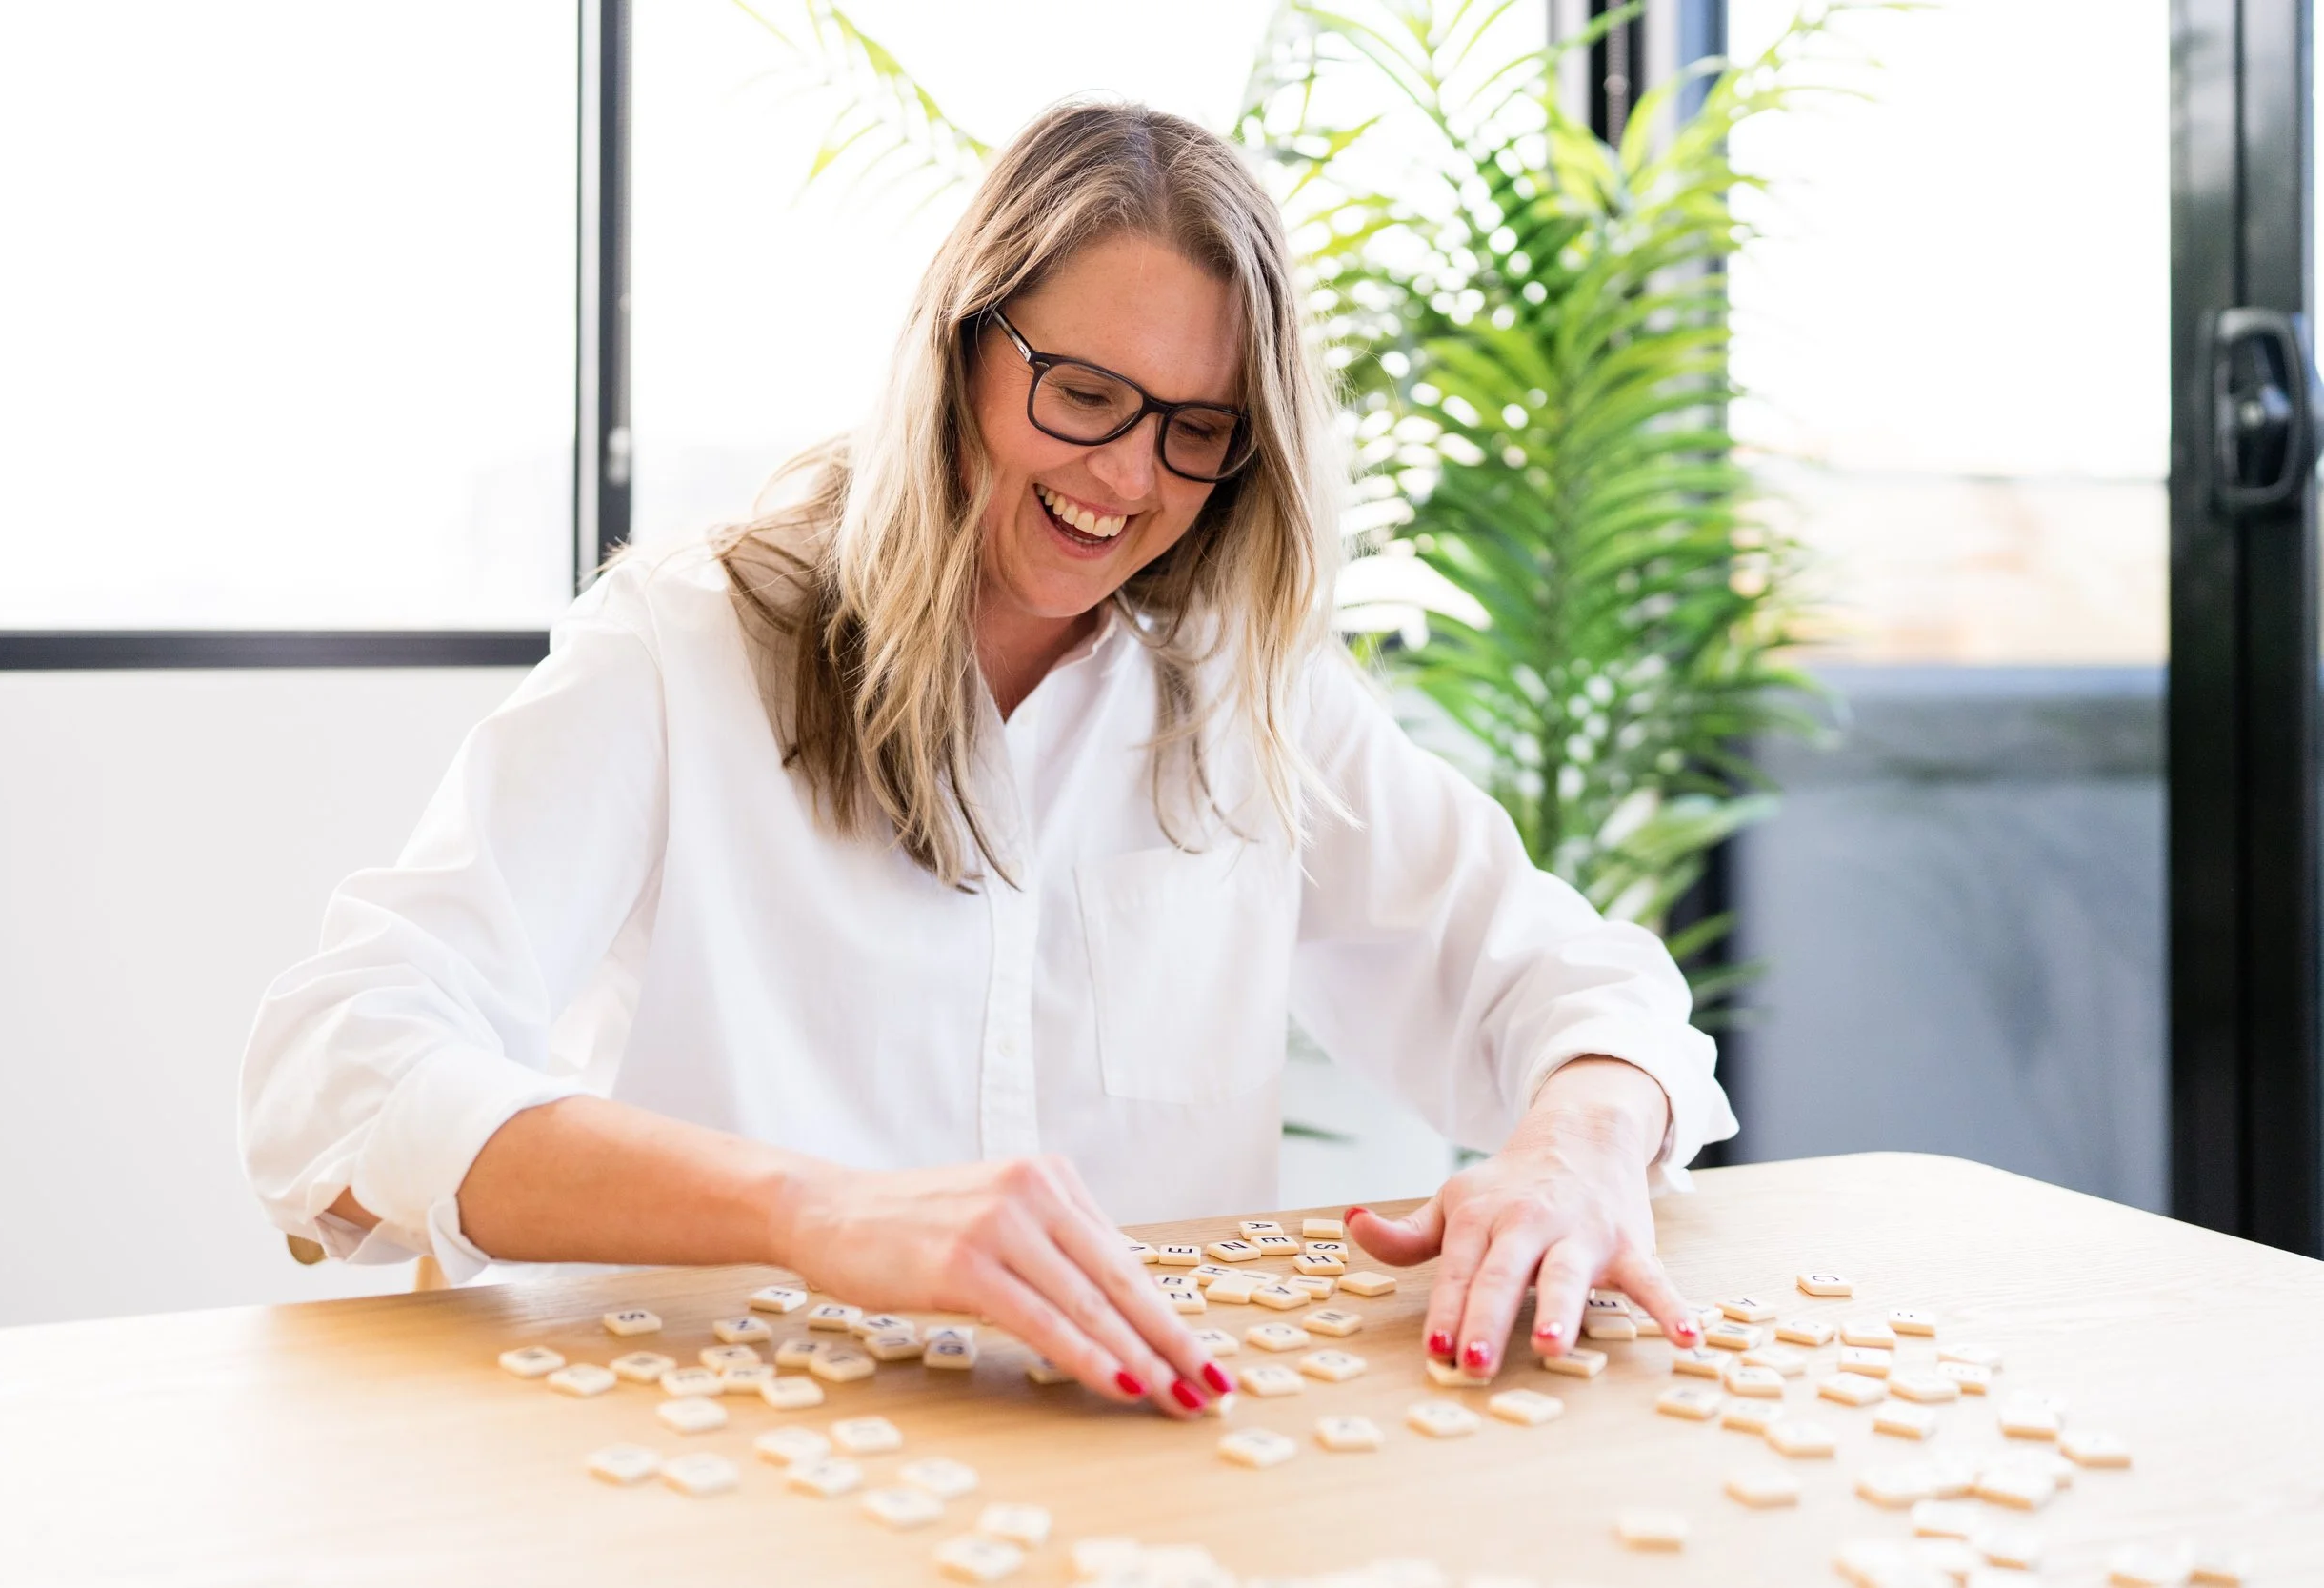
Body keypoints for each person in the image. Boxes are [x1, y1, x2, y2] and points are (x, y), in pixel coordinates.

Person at [240, 101, 1734, 1419]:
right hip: (712, 1463)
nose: (1128, 477)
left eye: (1198, 430)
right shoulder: (682, 646)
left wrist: (1582, 1146)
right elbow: (332, 1072)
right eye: (1083, 395)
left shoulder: (1245, 689)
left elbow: (1570, 980)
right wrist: (811, 1209)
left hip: (1133, 1469)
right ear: (960, 350)